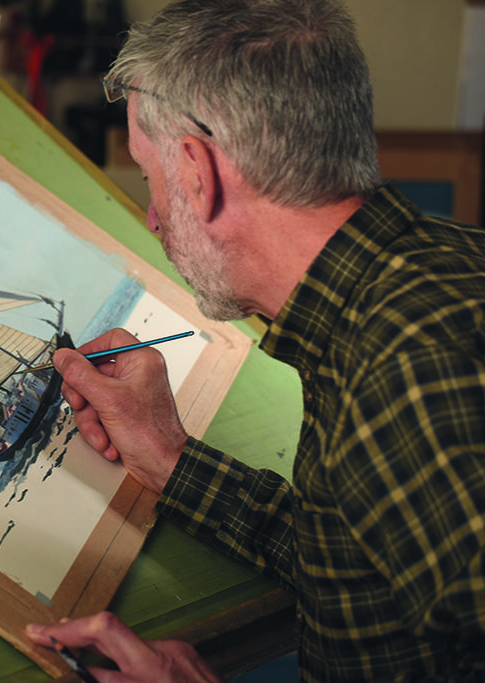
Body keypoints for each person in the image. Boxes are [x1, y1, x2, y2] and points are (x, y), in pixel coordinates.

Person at [24, 0, 485, 681]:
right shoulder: (439, 265)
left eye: (152, 183)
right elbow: (353, 559)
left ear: (198, 173)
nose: (151, 216)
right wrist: (171, 458)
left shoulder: (404, 377)